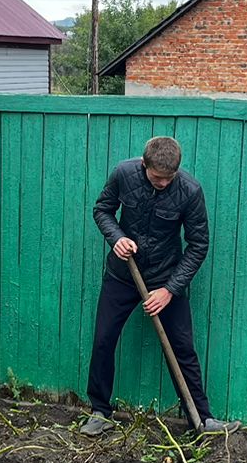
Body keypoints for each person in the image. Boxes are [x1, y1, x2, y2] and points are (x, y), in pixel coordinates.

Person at [82, 136, 236, 436]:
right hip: (123, 275)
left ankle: (202, 420)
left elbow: (198, 245)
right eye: (156, 177)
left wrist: (169, 290)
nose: (163, 183)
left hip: (166, 278)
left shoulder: (190, 191)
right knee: (103, 340)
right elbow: (102, 210)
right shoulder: (124, 174)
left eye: (169, 178)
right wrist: (117, 238)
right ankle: (100, 411)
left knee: (183, 349)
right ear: (144, 165)